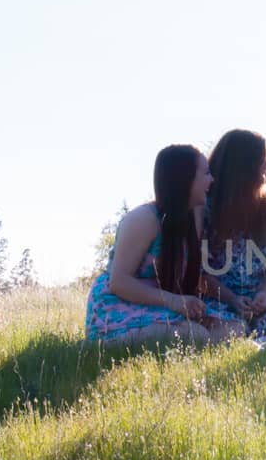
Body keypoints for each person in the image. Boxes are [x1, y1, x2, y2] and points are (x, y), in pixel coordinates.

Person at [85, 145, 244, 344]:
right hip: (121, 306)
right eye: (205, 173)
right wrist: (174, 301)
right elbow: (119, 282)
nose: (211, 180)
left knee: (235, 328)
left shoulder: (193, 216)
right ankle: (103, 344)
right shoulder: (144, 219)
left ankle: (200, 343)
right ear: (185, 178)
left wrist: (232, 300)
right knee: (194, 335)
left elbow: (196, 276)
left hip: (164, 305)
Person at [200, 129, 266, 337]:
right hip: (214, 299)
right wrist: (232, 299)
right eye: (262, 158)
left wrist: (264, 294)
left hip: (258, 300)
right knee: (229, 333)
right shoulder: (203, 207)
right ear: (242, 165)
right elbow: (197, 272)